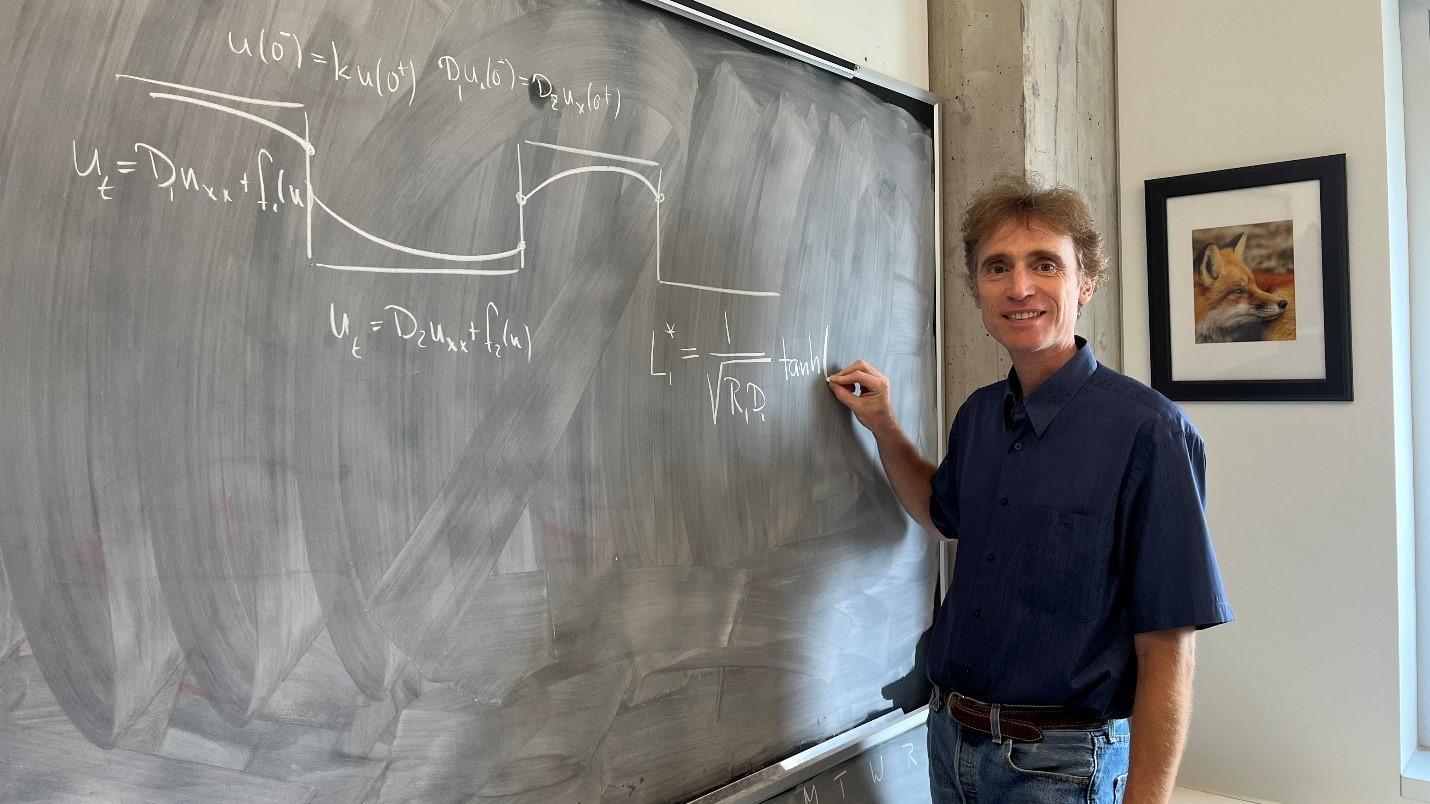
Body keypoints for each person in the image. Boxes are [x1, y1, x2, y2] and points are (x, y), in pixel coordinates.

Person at [828, 175, 1233, 804]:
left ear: (1085, 282)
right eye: (998, 268)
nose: (1019, 288)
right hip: (950, 742)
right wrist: (883, 425)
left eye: (1045, 264)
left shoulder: (1148, 431)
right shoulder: (980, 415)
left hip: (1061, 767)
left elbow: (1168, 646)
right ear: (976, 290)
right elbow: (938, 512)